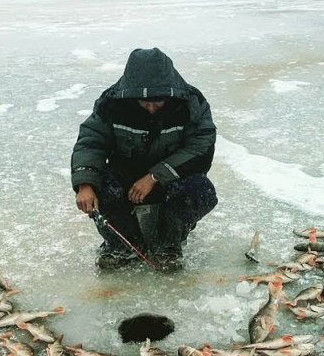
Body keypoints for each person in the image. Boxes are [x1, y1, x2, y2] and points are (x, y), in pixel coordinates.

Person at [71, 47, 218, 272]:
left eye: (157, 102)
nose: (151, 108)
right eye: (144, 102)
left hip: (171, 179)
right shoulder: (111, 103)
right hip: (126, 180)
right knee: (99, 186)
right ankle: (122, 244)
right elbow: (91, 141)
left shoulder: (191, 103)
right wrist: (85, 184)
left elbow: (201, 147)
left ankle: (169, 244)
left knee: (201, 190)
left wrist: (154, 176)